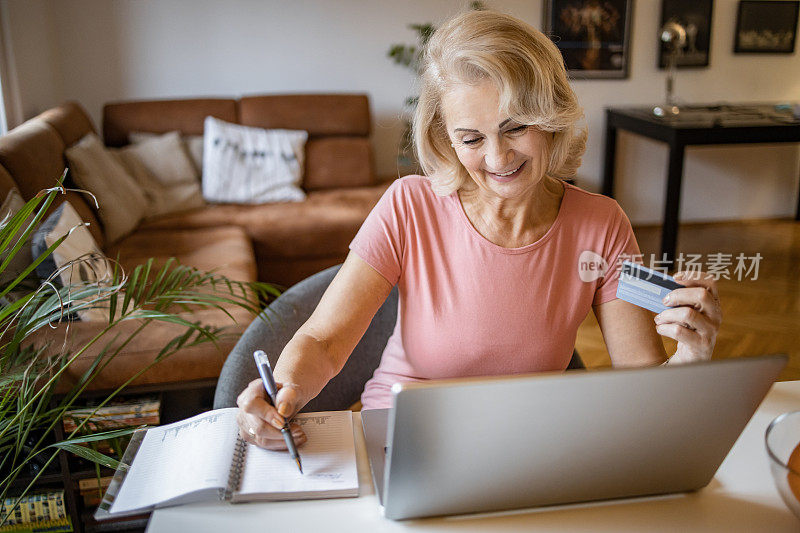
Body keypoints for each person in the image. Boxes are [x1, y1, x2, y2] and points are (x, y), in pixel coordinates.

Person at [235, 10, 723, 450]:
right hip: (408, 432)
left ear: (550, 118)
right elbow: (324, 340)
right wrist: (286, 391)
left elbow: (643, 383)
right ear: (444, 138)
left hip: (532, 438)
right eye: (471, 138)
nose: (497, 158)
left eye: (515, 129)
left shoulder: (601, 224)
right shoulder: (409, 205)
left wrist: (691, 357)